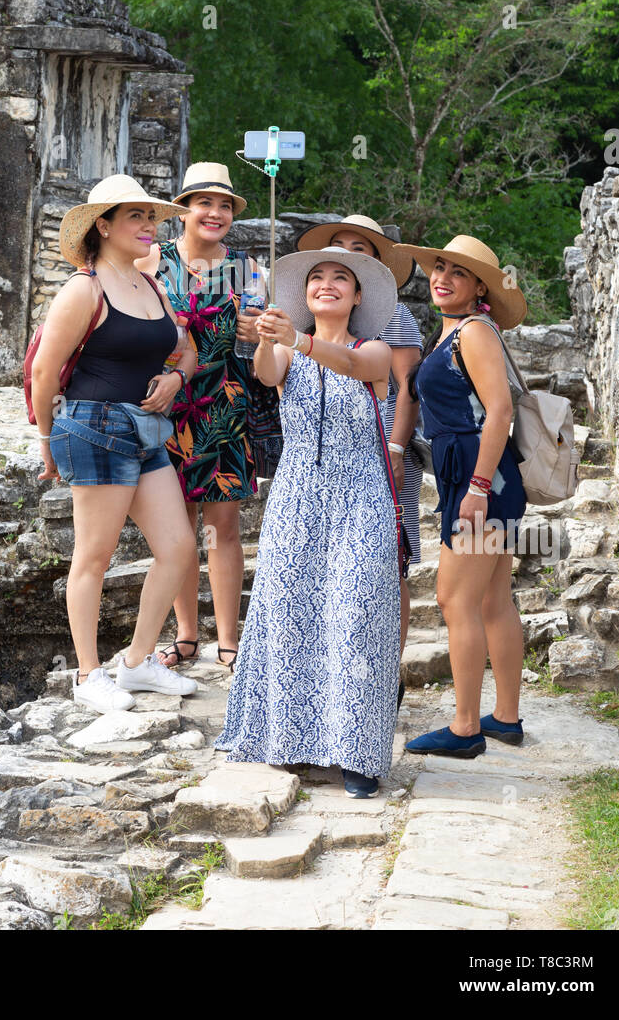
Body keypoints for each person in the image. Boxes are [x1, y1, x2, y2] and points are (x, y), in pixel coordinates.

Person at [216, 247, 401, 798]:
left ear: (358, 295)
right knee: (292, 611)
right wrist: (272, 335)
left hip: (360, 495)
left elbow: (355, 368)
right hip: (297, 495)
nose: (327, 284)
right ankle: (293, 741)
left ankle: (358, 754)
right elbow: (266, 371)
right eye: (317, 277)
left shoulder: (375, 349)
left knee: (358, 615)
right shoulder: (288, 352)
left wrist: (297, 338)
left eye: (340, 278)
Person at [31, 174, 202, 714]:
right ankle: (86, 675)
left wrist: (176, 379)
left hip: (147, 429)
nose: (149, 227)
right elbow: (43, 372)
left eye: (151, 218)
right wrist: (45, 438)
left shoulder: (150, 285)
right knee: (95, 556)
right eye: (136, 217)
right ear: (102, 226)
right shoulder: (86, 289)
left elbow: (186, 349)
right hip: (92, 426)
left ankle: (135, 663)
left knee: (177, 549)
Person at [396, 235, 528, 759]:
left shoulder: (473, 331)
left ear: (479, 289)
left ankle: (466, 726)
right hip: (481, 478)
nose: (441, 277)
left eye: (457, 272)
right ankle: (507, 718)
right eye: (439, 267)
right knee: (494, 599)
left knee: (455, 600)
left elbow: (499, 411)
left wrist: (476, 486)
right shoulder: (453, 331)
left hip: (482, 480)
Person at [135, 163, 262, 674]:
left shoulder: (246, 268)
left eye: (225, 205)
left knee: (224, 527)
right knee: (176, 528)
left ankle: (228, 640)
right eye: (204, 202)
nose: (215, 212)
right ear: (183, 209)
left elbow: (258, 340)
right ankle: (186, 637)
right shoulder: (151, 260)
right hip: (164, 404)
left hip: (224, 406)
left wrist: (259, 332)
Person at [297, 216, 421, 702]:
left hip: (383, 448)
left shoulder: (396, 320)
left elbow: (407, 390)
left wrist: (394, 446)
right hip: (326, 458)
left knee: (389, 563)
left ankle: (387, 670)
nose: (349, 252)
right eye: (339, 246)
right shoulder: (313, 322)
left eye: (359, 248)